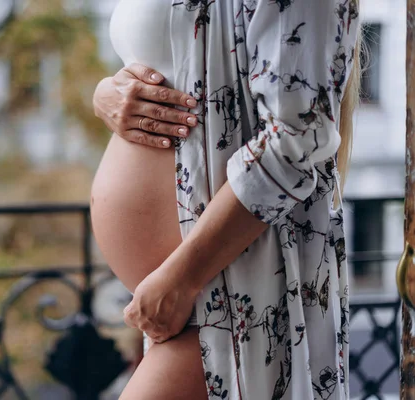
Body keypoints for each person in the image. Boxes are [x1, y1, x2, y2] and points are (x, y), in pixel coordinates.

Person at [91, 0, 361, 398]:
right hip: (187, 302)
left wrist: (182, 279)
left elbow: (298, 137)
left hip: (233, 299)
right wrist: (107, 95)